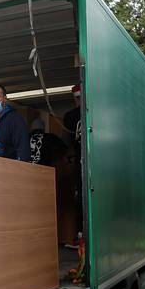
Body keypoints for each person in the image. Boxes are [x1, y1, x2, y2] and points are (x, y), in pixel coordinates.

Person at [62, 84, 83, 248]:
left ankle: (81, 234)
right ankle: (81, 234)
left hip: (88, 164)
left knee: (82, 197)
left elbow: (64, 144)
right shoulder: (70, 117)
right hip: (82, 163)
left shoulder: (71, 116)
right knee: (81, 197)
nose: (79, 101)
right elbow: (65, 143)